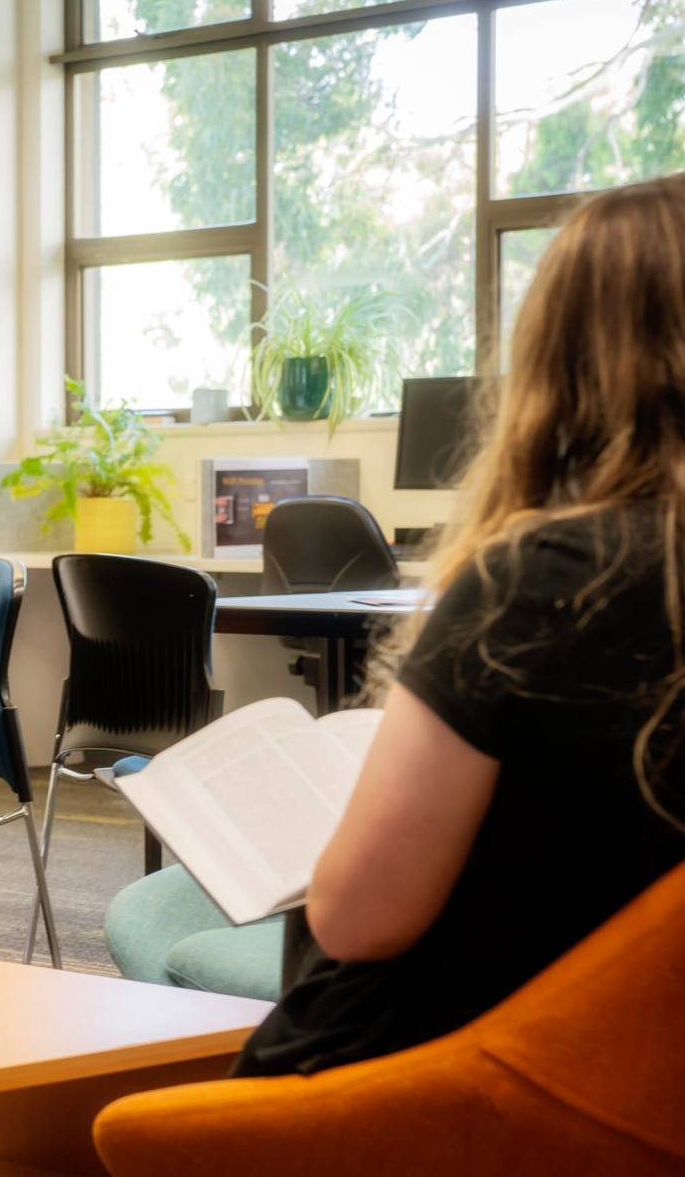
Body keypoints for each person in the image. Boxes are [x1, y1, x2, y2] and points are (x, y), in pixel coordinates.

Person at [235, 176, 685, 1076]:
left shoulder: (543, 582)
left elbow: (357, 919)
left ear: (563, 366)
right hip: (635, 1074)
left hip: (456, 1083)